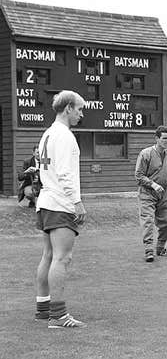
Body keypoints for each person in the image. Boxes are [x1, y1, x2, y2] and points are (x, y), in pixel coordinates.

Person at [34, 90, 87, 328]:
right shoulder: (64, 136)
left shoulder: (47, 133)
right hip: (60, 203)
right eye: (79, 109)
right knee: (62, 258)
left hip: (45, 201)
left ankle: (43, 310)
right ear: (68, 108)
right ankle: (58, 316)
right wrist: (77, 202)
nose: (81, 114)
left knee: (48, 256)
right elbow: (65, 173)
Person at [135, 126, 167, 262]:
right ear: (157, 139)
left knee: (166, 222)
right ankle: (149, 250)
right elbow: (138, 175)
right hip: (147, 193)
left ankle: (161, 248)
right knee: (148, 221)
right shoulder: (146, 154)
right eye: (164, 138)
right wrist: (152, 184)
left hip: (164, 194)